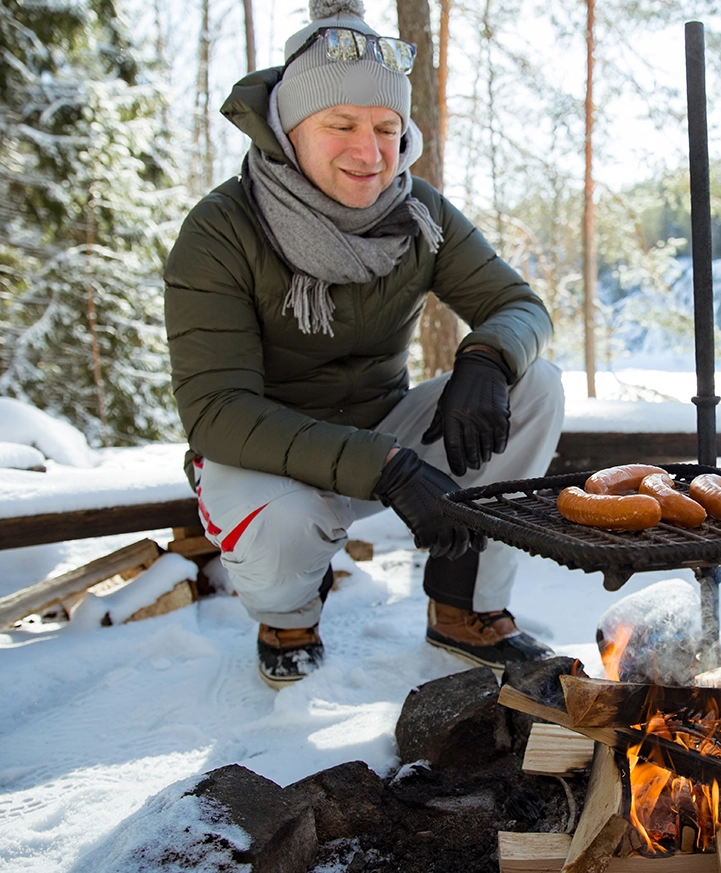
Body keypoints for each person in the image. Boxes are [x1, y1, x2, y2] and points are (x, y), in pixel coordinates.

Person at [163, 0, 565, 689]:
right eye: (341, 124)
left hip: (384, 428)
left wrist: (488, 357)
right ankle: (288, 616)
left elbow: (519, 305)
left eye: (386, 127)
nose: (370, 150)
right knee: (283, 522)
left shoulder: (420, 213)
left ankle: (465, 607)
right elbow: (218, 411)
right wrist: (389, 469)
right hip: (264, 457)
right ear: (291, 130)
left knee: (537, 383)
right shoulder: (223, 228)